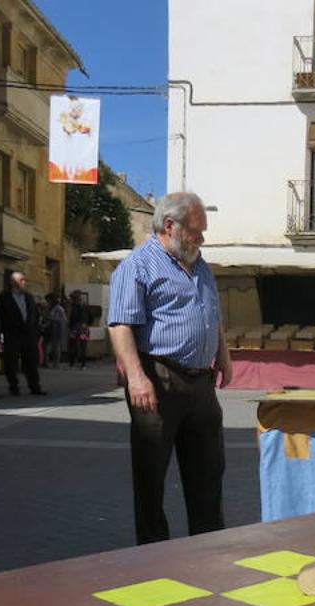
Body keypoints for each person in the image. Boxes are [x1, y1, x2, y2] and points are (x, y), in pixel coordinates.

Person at [108, 191, 234, 545]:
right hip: (157, 379)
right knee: (152, 476)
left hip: (201, 383)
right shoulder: (137, 265)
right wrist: (136, 377)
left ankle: (206, 546)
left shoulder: (201, 264)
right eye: (197, 230)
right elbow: (120, 325)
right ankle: (153, 554)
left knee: (209, 471)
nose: (202, 238)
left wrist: (223, 355)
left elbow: (213, 314)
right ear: (170, 225)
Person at [0, 271, 45, 396]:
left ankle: (35, 386)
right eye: (21, 280)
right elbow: (0, 316)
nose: (24, 283)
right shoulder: (4, 297)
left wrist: (36, 331)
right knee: (11, 361)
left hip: (28, 333)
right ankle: (14, 386)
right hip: (12, 333)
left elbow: (35, 314)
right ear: (13, 282)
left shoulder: (28, 297)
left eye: (24, 280)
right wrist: (2, 332)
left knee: (31, 360)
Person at [68, 290, 91, 368]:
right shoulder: (85, 305)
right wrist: (86, 323)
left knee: (73, 345)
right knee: (83, 346)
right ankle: (83, 364)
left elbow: (73, 317)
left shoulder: (74, 305)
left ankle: (72, 363)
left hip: (75, 327)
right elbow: (91, 316)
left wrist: (70, 326)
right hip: (84, 328)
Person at [45, 294, 67, 368]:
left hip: (57, 329)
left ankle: (56, 363)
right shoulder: (49, 307)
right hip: (50, 328)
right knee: (48, 345)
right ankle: (46, 362)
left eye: (48, 300)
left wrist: (52, 320)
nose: (47, 302)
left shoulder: (59, 308)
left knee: (56, 346)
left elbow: (64, 320)